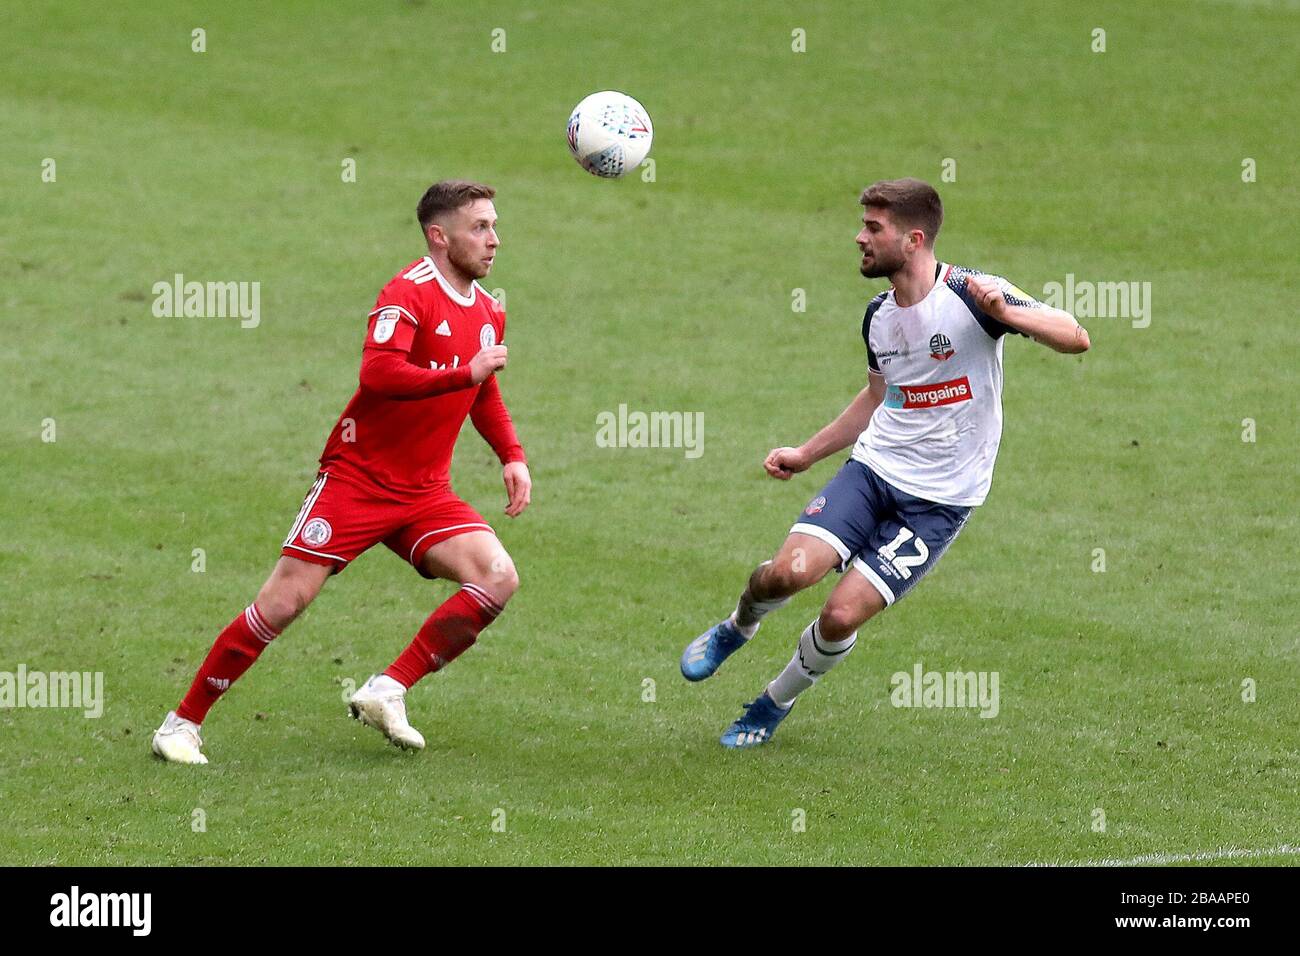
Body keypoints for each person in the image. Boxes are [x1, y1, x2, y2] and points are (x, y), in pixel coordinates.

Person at [681, 177, 1090, 748]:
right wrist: (806, 453)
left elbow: (1075, 336)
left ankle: (774, 702)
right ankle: (738, 625)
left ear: (914, 239)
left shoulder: (977, 294)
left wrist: (1010, 315)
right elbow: (878, 398)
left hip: (939, 502)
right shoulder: (878, 316)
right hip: (873, 473)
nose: (859, 238)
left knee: (840, 616)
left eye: (873, 228)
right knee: (787, 573)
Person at [152, 180, 530, 764]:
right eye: (480, 227)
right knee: (282, 604)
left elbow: (484, 391)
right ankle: (181, 724)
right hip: (358, 481)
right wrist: (463, 373)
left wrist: (511, 454)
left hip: (426, 492)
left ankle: (388, 688)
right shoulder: (406, 293)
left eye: (494, 226)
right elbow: (380, 375)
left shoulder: (487, 309)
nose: (494, 240)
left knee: (497, 577)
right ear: (439, 235)